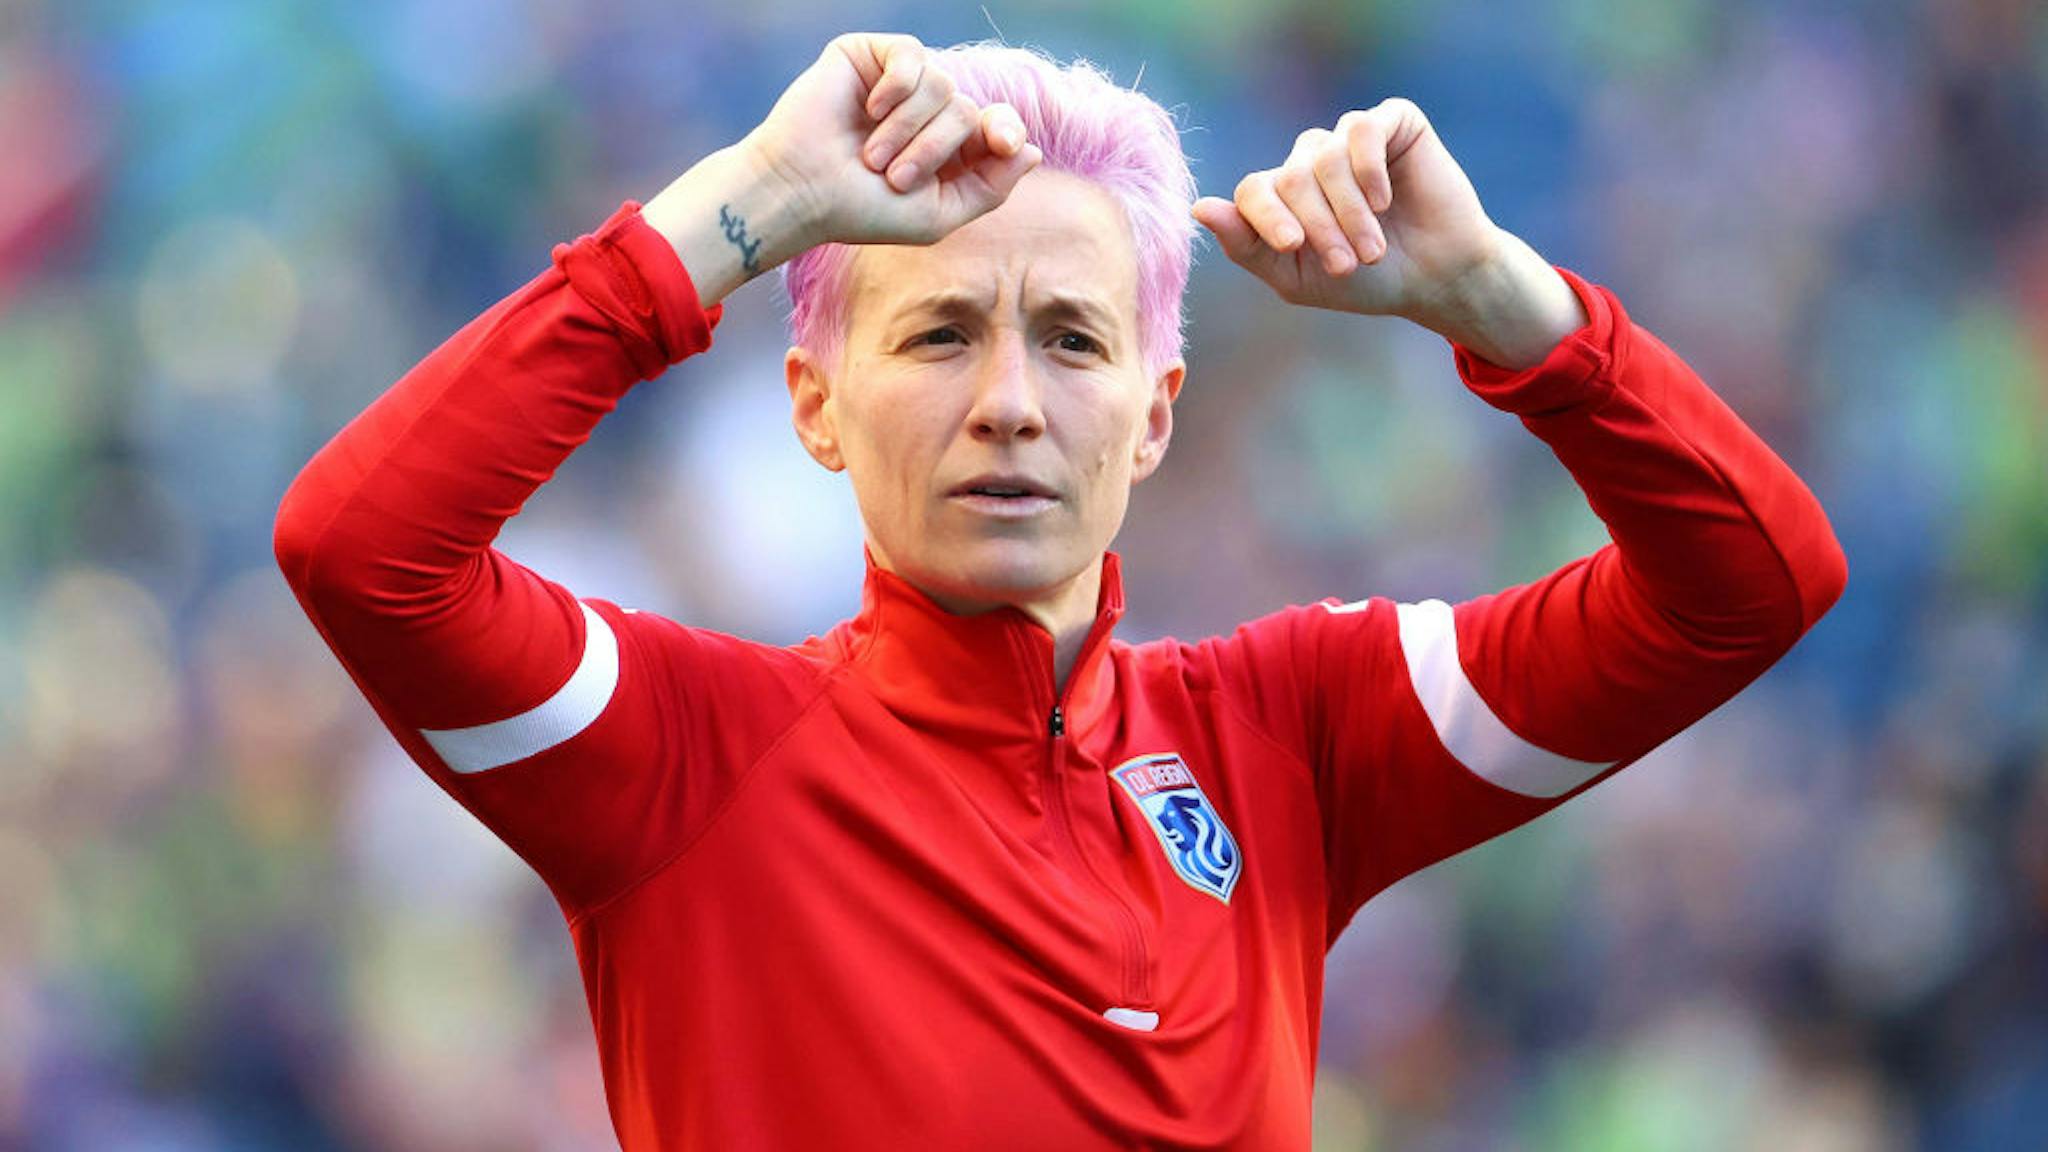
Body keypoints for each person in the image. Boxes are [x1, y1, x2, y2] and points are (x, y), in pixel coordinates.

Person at [273, 32, 1847, 1151]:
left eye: (1075, 341)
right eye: (941, 333)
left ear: (1155, 414)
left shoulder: (1291, 738)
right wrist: (744, 202)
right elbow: (362, 548)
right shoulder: (683, 758)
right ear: (814, 404)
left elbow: (1754, 584)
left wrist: (1503, 304)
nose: (1013, 401)